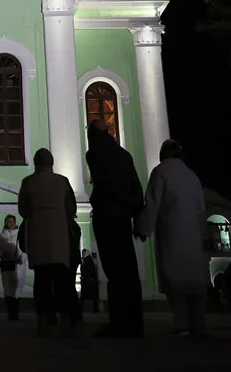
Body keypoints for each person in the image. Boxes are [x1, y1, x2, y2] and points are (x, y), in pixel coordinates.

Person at [135, 139, 209, 337]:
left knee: (175, 281)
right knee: (194, 282)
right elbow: (201, 208)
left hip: (171, 232)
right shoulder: (191, 176)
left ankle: (181, 324)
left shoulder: (161, 172)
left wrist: (143, 229)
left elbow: (152, 203)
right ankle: (199, 324)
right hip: (192, 235)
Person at [85, 119, 146, 338]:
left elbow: (104, 184)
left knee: (114, 271)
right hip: (123, 217)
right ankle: (136, 322)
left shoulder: (94, 153)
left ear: (92, 133)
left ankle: (119, 323)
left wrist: (107, 202)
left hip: (107, 216)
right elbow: (136, 186)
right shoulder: (124, 155)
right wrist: (136, 212)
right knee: (129, 270)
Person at [18, 148, 77, 336]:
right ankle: (66, 320)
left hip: (38, 236)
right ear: (51, 163)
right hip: (59, 238)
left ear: (36, 163)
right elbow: (71, 208)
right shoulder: (63, 182)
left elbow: (23, 210)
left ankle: (42, 322)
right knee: (63, 283)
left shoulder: (28, 182)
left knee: (41, 282)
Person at [0, 214, 24, 320]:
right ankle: (11, 314)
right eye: (8, 221)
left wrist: (20, 258)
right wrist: (3, 254)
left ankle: (16, 313)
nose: (10, 224)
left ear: (15, 222)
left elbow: (23, 249)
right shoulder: (1, 236)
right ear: (5, 223)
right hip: (6, 264)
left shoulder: (20, 235)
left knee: (17, 289)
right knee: (8, 289)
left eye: (12, 221)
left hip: (18, 265)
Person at [80, 250, 101, 314]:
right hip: (92, 283)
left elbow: (86, 271)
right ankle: (95, 309)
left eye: (83, 253)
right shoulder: (89, 260)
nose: (82, 254)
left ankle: (81, 309)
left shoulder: (86, 261)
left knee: (83, 297)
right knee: (94, 297)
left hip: (88, 283)